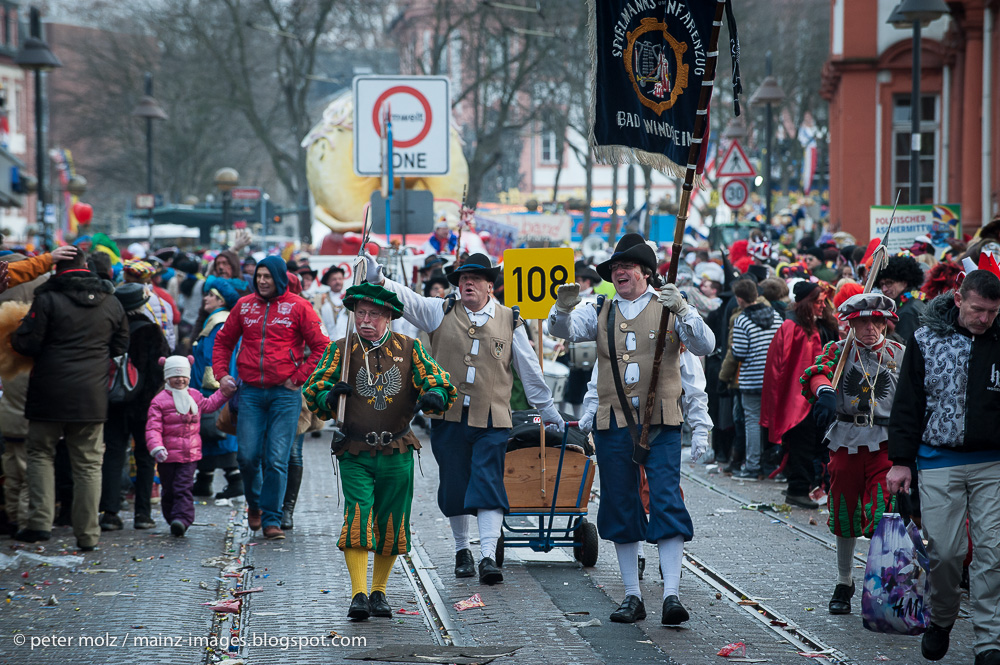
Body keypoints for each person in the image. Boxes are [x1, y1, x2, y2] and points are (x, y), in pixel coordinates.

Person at [368, 251, 564, 585]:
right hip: (448, 416)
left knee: (487, 481)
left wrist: (548, 411)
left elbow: (529, 371)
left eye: (474, 278)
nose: (466, 283)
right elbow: (408, 300)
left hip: (493, 418)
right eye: (461, 278)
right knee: (455, 484)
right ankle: (463, 550)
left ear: (491, 285)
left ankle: (488, 556)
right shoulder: (440, 310)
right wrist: (380, 280)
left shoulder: (510, 320)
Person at [548, 233, 715, 625]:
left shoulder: (670, 306)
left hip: (661, 422)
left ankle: (671, 594)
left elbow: (705, 348)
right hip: (613, 423)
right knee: (621, 504)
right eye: (615, 268)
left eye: (627, 266)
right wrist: (560, 307)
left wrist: (687, 310)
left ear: (646, 272)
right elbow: (562, 331)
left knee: (667, 501)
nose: (619, 272)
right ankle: (632, 596)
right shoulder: (600, 309)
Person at [303, 283, 455, 620]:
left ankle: (379, 592)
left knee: (392, 522)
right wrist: (328, 397)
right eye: (360, 313)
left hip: (397, 448)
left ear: (388, 317)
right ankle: (358, 594)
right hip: (354, 449)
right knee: (357, 516)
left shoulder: (410, 347)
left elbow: (439, 380)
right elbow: (314, 386)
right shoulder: (340, 349)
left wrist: (435, 396)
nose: (365, 320)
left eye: (373, 314)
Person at [886, 269, 1000, 665]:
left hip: (993, 463)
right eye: (977, 310)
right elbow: (907, 403)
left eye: (992, 311)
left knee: (993, 552)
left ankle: (989, 641)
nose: (984, 319)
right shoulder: (926, 338)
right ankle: (942, 618)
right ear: (958, 299)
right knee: (947, 554)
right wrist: (901, 461)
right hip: (938, 460)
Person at [12, 247, 129, 551]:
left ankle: (39, 523)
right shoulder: (110, 301)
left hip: (48, 393)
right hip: (91, 397)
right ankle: (88, 534)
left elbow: (28, 343)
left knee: (40, 453)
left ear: (56, 269)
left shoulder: (47, 298)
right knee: (89, 465)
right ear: (85, 267)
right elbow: (120, 344)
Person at [800, 293, 904, 616]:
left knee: (881, 514)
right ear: (851, 323)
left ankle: (880, 582)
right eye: (862, 322)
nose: (870, 328)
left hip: (886, 441)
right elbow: (817, 373)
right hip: (845, 438)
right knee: (843, 509)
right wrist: (825, 391)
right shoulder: (839, 351)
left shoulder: (900, 354)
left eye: (877, 321)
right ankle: (844, 581)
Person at [212, 256, 329, 540]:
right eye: (259, 276)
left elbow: (322, 346)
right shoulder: (244, 305)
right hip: (250, 392)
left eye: (267, 276)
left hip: (284, 395)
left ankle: (271, 519)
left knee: (277, 460)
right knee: (247, 457)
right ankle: (255, 505)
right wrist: (221, 375)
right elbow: (224, 341)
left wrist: (299, 377)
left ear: (278, 277)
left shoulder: (300, 306)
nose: (262, 280)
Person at [98, 283, 171, 531]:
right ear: (142, 305)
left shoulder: (108, 329)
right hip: (145, 405)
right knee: (144, 456)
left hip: (115, 402)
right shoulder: (152, 331)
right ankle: (143, 514)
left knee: (113, 454)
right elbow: (162, 367)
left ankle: (110, 512)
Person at [761, 281, 840, 508]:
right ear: (807, 303)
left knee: (820, 444)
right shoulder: (791, 326)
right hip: (798, 398)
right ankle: (797, 489)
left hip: (823, 394)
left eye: (824, 301)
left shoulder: (825, 325)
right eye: (818, 301)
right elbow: (779, 367)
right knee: (801, 445)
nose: (822, 306)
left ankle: (814, 487)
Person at [146, 356, 232, 536]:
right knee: (169, 489)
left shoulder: (194, 395)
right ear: (167, 377)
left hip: (190, 455)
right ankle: (173, 518)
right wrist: (156, 447)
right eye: (175, 376)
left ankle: (183, 519)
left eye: (183, 376)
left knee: (183, 487)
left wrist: (223, 393)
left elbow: (209, 405)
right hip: (167, 456)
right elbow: (153, 428)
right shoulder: (159, 401)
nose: (180, 379)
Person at [191, 276, 243, 500]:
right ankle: (204, 481)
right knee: (211, 437)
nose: (206, 298)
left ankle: (235, 480)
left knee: (216, 432)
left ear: (221, 300)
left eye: (211, 295)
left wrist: (212, 390)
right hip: (211, 387)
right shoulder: (216, 319)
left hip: (212, 389)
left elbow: (214, 358)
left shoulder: (218, 322)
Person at [730, 278, 783, 480]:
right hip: (773, 379)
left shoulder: (742, 320)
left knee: (752, 422)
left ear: (740, 299)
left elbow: (740, 353)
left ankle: (752, 466)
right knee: (773, 422)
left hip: (751, 379)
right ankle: (773, 465)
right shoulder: (777, 317)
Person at [122, 259, 177, 351]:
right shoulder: (163, 303)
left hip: (135, 356)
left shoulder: (124, 300)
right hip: (161, 356)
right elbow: (171, 335)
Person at [877, 254, 927, 341]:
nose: (884, 289)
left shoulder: (906, 312)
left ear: (904, 283)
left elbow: (904, 347)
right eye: (882, 285)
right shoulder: (915, 301)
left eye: (889, 283)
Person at [316, 265, 348, 343]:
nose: (338, 282)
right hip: (327, 342)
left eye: (340, 279)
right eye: (334, 279)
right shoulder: (321, 298)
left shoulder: (349, 297)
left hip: (346, 343)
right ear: (328, 282)